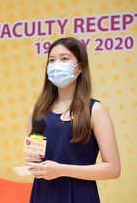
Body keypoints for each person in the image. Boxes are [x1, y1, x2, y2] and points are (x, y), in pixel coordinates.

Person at [25, 37, 121, 203]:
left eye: (64, 59)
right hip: (43, 194)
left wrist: (61, 170)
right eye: (52, 60)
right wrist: (33, 163)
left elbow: (113, 169)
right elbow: (35, 158)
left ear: (80, 67)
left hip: (80, 195)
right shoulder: (37, 111)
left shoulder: (95, 111)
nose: (56, 65)